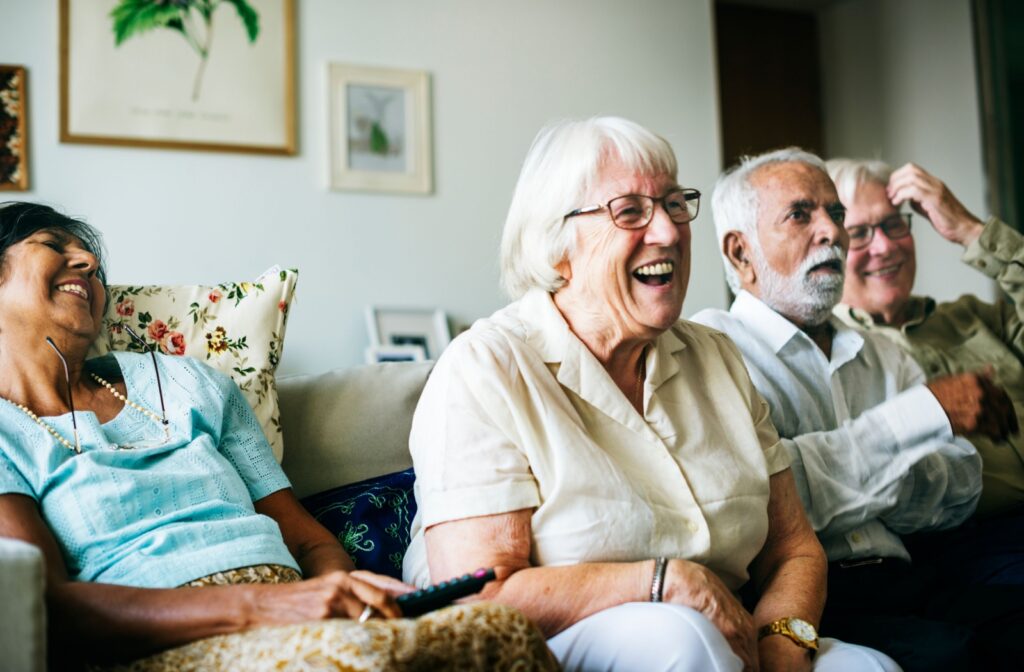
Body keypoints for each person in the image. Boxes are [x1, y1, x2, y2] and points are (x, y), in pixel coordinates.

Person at [401, 117, 896, 672]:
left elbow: (795, 549)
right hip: (563, 646)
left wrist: (784, 639)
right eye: (631, 211)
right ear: (557, 244)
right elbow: (477, 596)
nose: (668, 231)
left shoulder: (717, 357)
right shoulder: (486, 367)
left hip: (733, 633)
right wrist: (665, 582)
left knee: (868, 667)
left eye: (674, 204)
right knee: (681, 639)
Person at [0, 201, 557, 671]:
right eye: (54, 245)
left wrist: (342, 597)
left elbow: (309, 541)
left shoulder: (187, 381)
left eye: (94, 264)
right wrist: (267, 608)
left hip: (298, 607)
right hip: (167, 639)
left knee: (502, 630)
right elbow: (44, 607)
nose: (90, 264)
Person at [692, 148, 1024, 672]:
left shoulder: (884, 354)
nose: (832, 232)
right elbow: (769, 502)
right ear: (740, 253)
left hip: (912, 575)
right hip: (810, 597)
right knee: (950, 657)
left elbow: (960, 486)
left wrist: (842, 475)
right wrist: (917, 422)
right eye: (801, 214)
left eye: (835, 213)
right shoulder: (711, 349)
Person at [827, 159, 1024, 584]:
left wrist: (972, 231)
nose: (884, 247)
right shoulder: (834, 353)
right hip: (968, 549)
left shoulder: (973, 317)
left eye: (894, 225)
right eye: (859, 233)